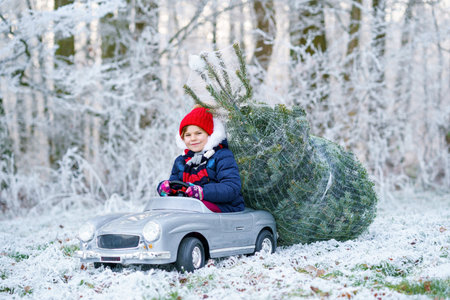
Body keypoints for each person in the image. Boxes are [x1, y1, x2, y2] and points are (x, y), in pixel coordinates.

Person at [157, 105, 245, 213]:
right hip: (193, 207)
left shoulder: (222, 156)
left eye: (198, 133)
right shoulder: (181, 161)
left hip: (224, 206)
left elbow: (231, 188)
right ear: (182, 138)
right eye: (188, 135)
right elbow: (176, 184)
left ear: (209, 134)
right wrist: (167, 188)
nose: (193, 138)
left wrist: (203, 192)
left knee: (192, 210)